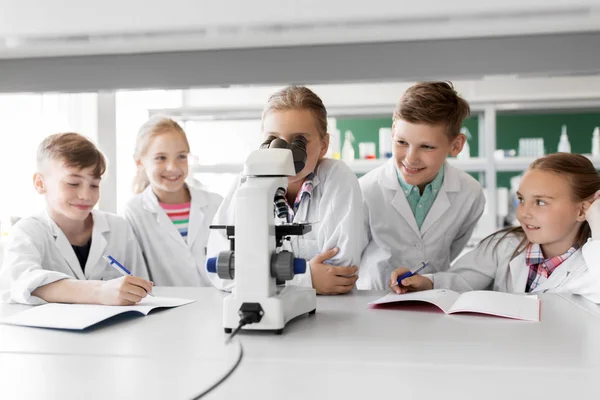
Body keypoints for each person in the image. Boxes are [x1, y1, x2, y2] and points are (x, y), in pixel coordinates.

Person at [208, 85, 364, 295]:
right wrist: (307, 278)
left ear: (324, 145)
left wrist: (261, 276)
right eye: (274, 139)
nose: (285, 152)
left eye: (300, 140)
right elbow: (220, 269)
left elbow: (339, 273)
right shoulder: (247, 181)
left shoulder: (336, 177)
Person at [389, 153, 600, 304]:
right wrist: (424, 282)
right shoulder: (505, 245)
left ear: (583, 211)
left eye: (541, 202)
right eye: (521, 200)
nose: (523, 213)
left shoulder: (592, 261)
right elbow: (461, 280)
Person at [358, 81, 485, 289]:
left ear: (456, 145)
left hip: (434, 302)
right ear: (392, 132)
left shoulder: (470, 193)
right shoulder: (364, 191)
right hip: (375, 301)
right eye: (402, 142)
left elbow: (452, 249)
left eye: (426, 147)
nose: (411, 158)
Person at [0, 133, 151, 305]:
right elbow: (18, 284)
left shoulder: (119, 228)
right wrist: (98, 292)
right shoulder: (27, 231)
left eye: (94, 185)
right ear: (40, 184)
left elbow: (141, 286)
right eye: (73, 183)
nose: (86, 195)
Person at [125, 116, 223, 286]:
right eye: (161, 158)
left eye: (181, 156)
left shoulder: (215, 204)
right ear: (140, 162)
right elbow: (137, 271)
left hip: (218, 304)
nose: (173, 167)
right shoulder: (135, 211)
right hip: (169, 308)